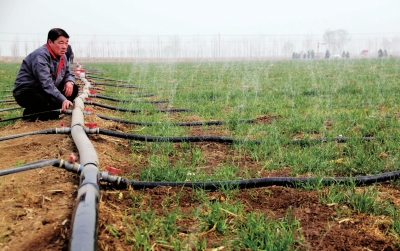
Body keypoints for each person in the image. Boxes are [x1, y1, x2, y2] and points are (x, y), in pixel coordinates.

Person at [13, 28, 78, 120]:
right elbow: (46, 83)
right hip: (27, 91)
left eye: (66, 43)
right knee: (45, 103)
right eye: (61, 42)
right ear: (50, 42)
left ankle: (50, 111)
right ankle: (30, 115)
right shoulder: (41, 56)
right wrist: (62, 99)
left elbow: (68, 73)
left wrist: (69, 81)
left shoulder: (63, 57)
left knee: (73, 89)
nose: (64, 46)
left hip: (44, 89)